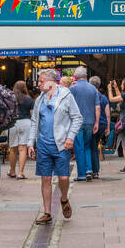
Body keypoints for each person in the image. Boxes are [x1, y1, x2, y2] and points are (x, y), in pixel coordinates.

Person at [28, 68, 82, 224]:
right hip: (43, 144)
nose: (38, 84)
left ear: (51, 82)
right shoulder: (39, 100)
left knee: (63, 177)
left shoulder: (66, 96)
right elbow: (34, 122)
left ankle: (64, 199)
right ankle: (47, 213)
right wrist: (31, 143)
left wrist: (70, 137)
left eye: (41, 81)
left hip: (61, 144)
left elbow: (77, 118)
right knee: (45, 179)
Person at [68, 68, 101, 180]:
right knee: (87, 146)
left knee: (79, 147)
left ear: (76, 76)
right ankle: (89, 169)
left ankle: (81, 174)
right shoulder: (93, 89)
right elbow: (97, 107)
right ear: (86, 76)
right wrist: (96, 122)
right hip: (90, 121)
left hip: (76, 122)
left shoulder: (72, 89)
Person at [7, 80, 34, 179]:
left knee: (13, 149)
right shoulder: (28, 99)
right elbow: (32, 114)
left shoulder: (10, 98)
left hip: (13, 123)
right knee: (22, 149)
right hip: (26, 122)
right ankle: (20, 173)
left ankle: (12, 171)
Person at [93, 76, 109, 175]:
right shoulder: (104, 98)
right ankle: (96, 169)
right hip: (102, 124)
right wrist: (107, 127)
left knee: (92, 146)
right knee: (97, 144)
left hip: (93, 124)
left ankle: (93, 169)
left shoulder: (90, 97)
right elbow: (108, 114)